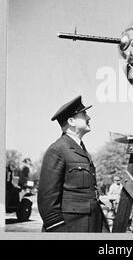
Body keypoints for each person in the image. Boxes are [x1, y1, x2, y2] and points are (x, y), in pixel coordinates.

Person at [37, 95, 109, 232]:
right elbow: (47, 199)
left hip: (91, 224)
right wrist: (59, 231)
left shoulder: (80, 148)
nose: (89, 118)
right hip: (71, 228)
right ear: (71, 121)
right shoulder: (57, 150)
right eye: (84, 114)